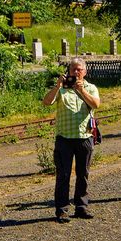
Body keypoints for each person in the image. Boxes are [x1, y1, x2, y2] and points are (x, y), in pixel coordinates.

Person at [42, 57, 101, 223]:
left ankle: (81, 207)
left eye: (79, 69)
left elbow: (96, 105)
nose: (76, 72)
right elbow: (46, 102)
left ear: (85, 71)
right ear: (68, 71)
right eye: (73, 69)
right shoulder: (61, 89)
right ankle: (62, 210)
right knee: (63, 175)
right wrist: (57, 86)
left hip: (84, 137)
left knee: (83, 174)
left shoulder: (90, 87)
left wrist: (82, 91)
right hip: (64, 139)